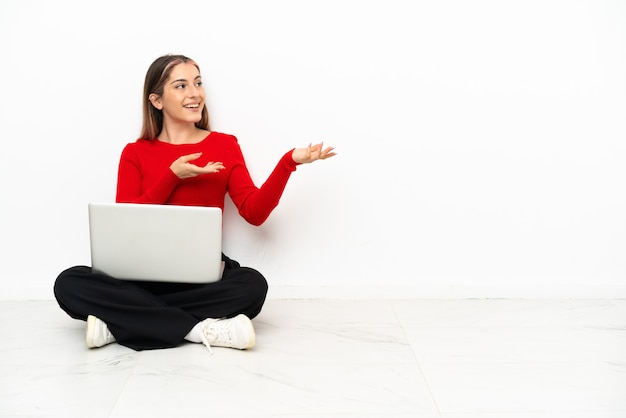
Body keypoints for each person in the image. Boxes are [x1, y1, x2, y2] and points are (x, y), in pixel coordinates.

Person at [53, 54, 336, 353]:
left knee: (252, 286)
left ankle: (119, 324)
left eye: (198, 83)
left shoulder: (224, 145)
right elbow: (128, 224)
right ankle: (200, 329)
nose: (195, 93)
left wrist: (288, 163)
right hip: (141, 274)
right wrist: (172, 176)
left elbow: (254, 213)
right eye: (181, 85)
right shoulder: (135, 153)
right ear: (157, 100)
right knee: (68, 282)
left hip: (200, 275)